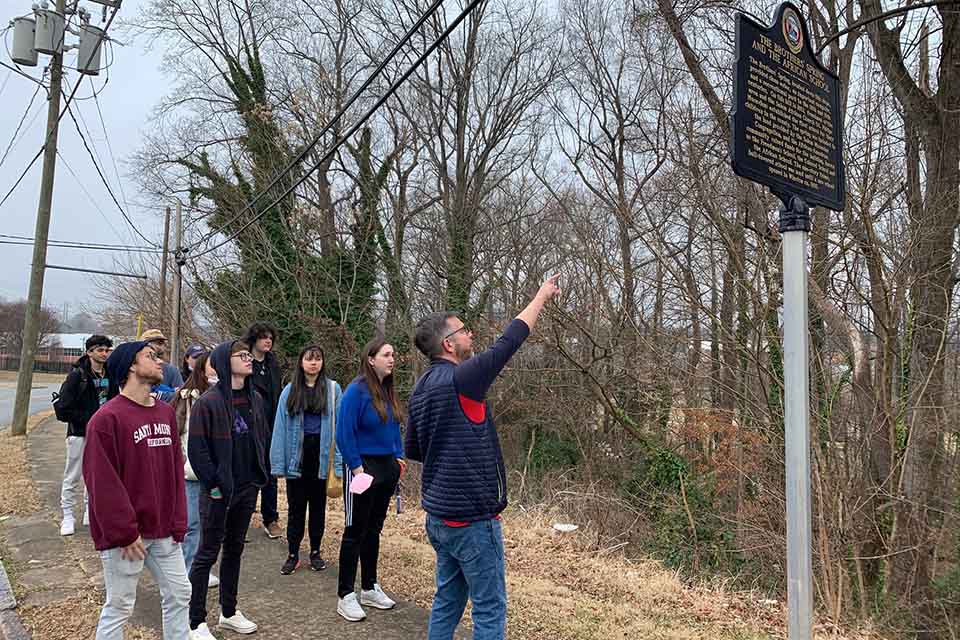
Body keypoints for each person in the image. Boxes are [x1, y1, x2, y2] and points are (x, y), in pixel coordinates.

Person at [406, 275, 561, 640]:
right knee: (490, 609)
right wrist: (541, 295)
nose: (471, 334)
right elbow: (511, 339)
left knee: (447, 599)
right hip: (472, 521)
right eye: (464, 331)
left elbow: (415, 450)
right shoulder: (464, 379)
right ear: (448, 343)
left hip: (440, 517)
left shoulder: (420, 388)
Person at [83, 341, 190, 640]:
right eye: (150, 356)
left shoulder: (166, 414)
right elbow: (101, 483)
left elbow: (174, 472)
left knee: (181, 594)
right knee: (119, 606)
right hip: (128, 537)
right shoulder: (106, 420)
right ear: (131, 365)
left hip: (165, 530)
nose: (159, 362)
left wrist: (178, 520)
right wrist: (124, 532)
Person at [187, 340, 269, 639]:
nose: (249, 359)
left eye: (250, 355)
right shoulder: (207, 403)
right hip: (219, 491)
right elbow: (198, 452)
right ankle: (195, 621)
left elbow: (261, 440)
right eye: (242, 355)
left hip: (248, 487)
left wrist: (260, 474)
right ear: (225, 361)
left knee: (234, 550)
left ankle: (229, 612)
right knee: (206, 554)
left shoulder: (256, 399)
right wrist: (215, 487)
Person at [335, 337, 405, 622]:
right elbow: (344, 433)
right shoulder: (356, 391)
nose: (392, 359)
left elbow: (394, 428)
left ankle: (369, 587)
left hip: (387, 467)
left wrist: (398, 459)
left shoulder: (387, 390)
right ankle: (345, 595)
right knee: (355, 531)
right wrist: (356, 467)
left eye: (393, 354)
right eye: (386, 354)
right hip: (362, 469)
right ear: (371, 358)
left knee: (374, 529)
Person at [270, 344, 343, 575]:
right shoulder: (290, 391)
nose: (314, 363)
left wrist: (339, 464)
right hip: (297, 458)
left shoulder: (333, 390)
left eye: (318, 359)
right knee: (296, 509)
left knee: (318, 509)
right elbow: (280, 428)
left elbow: (340, 428)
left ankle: (315, 552)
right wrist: (278, 463)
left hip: (321, 458)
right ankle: (293, 554)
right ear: (301, 362)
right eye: (309, 359)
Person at [56, 334, 114, 536]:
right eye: (100, 350)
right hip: (79, 433)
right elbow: (63, 410)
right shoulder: (77, 376)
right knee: (73, 475)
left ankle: (91, 511)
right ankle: (68, 515)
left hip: (103, 435)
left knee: (97, 475)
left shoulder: (111, 373)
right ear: (89, 352)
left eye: (107, 350)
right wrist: (89, 419)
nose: (105, 353)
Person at [172, 352, 220, 589]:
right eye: (212, 366)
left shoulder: (223, 396)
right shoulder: (185, 397)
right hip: (190, 471)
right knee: (192, 523)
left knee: (208, 524)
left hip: (215, 472)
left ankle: (201, 567)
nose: (216, 370)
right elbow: (179, 432)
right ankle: (187, 568)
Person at [244, 322, 283, 539]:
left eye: (270, 337)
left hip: (271, 425)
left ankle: (271, 519)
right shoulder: (244, 362)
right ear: (254, 339)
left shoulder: (273, 364)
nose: (267, 341)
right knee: (247, 472)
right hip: (248, 426)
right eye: (263, 337)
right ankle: (242, 516)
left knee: (270, 473)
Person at [140, 329, 184, 402]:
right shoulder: (135, 369)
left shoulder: (171, 370)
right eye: (158, 343)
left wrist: (159, 395)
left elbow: (181, 395)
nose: (161, 347)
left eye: (162, 343)